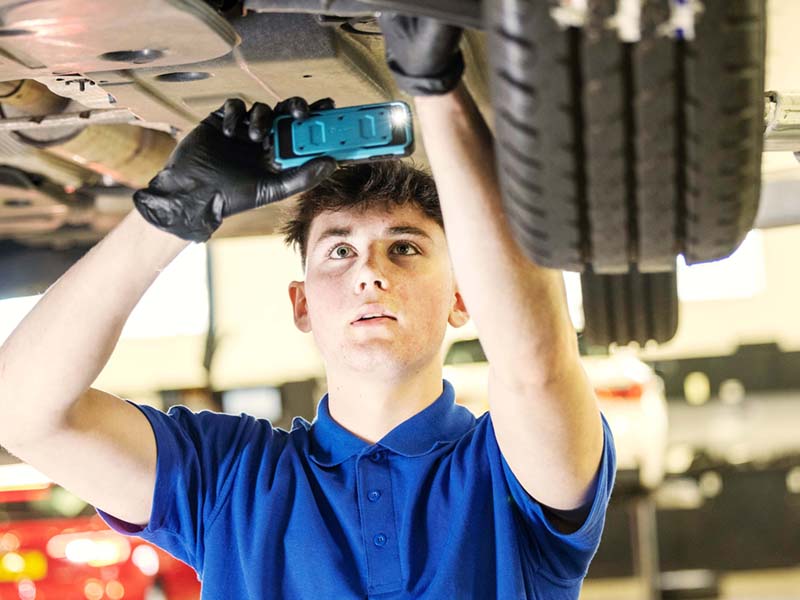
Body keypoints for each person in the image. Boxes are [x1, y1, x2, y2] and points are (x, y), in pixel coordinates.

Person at [0, 12, 615, 600]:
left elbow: (536, 365)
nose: (370, 272)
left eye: (404, 248)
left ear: (461, 297)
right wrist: (171, 213)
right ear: (302, 306)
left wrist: (436, 86)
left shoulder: (507, 470)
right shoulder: (229, 481)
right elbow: (23, 413)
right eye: (339, 252)